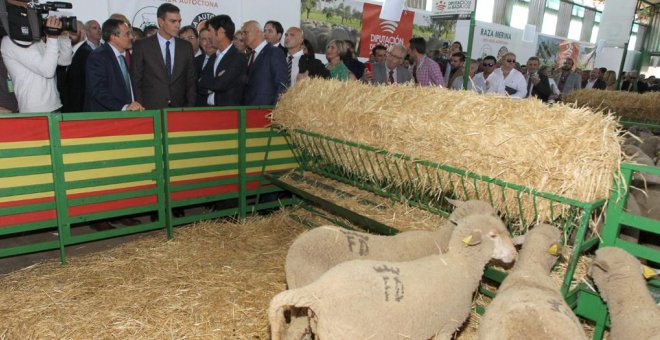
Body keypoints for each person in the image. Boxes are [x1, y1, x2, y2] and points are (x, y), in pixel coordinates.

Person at [131, 3, 197, 109]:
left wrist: (189, 107)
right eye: (173, 21)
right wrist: (141, 108)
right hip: (150, 110)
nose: (178, 25)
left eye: (179, 21)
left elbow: (191, 81)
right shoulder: (142, 46)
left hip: (180, 110)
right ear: (161, 22)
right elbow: (136, 80)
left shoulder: (186, 47)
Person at [1, 15, 73, 113]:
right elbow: (47, 71)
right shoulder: (10, 41)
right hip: (34, 110)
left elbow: (65, 61)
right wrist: (52, 37)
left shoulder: (36, 39)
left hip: (55, 105)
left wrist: (63, 36)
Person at [84, 19, 144, 112]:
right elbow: (98, 90)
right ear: (113, 37)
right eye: (127, 34)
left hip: (132, 113)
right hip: (110, 116)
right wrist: (124, 107)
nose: (131, 37)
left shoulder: (125, 56)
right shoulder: (98, 56)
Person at [198, 15, 246, 107]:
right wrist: (215, 80)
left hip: (227, 114)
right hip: (208, 112)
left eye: (210, 31)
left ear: (220, 32)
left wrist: (208, 83)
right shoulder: (213, 57)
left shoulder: (238, 58)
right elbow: (200, 83)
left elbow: (221, 84)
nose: (208, 35)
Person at [241, 20, 288, 105]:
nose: (243, 36)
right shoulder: (248, 55)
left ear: (257, 31)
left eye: (245, 32)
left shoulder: (274, 52)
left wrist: (275, 111)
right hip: (247, 110)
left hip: (265, 111)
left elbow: (282, 85)